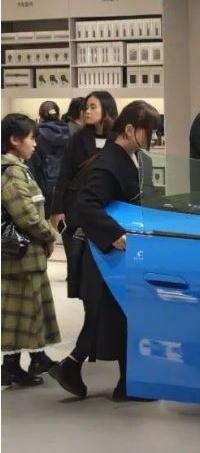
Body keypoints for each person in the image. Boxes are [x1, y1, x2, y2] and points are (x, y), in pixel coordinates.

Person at [49, 101, 160, 402]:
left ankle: (81, 370)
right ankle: (124, 384)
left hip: (110, 254)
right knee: (117, 316)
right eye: (149, 132)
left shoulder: (126, 158)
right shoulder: (110, 162)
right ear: (130, 130)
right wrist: (114, 235)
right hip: (104, 255)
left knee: (112, 316)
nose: (153, 138)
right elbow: (86, 205)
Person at [2, 113, 61, 385]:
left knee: (28, 312)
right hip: (21, 257)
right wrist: (49, 234)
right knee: (21, 313)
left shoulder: (18, 168)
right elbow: (26, 214)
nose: (35, 143)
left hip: (26, 257)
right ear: (15, 140)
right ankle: (11, 367)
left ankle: (33, 358)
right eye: (31, 137)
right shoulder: (11, 172)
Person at [49, 91, 117, 299]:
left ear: (106, 109)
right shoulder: (78, 138)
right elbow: (65, 175)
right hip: (76, 207)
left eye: (93, 107)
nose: (87, 111)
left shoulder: (117, 138)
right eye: (86, 107)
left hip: (107, 208)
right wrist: (57, 209)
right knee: (79, 259)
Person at [29, 102, 72, 218]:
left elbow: (33, 160)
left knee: (46, 215)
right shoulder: (70, 131)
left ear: (40, 115)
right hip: (65, 179)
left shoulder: (37, 133)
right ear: (58, 113)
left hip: (44, 179)